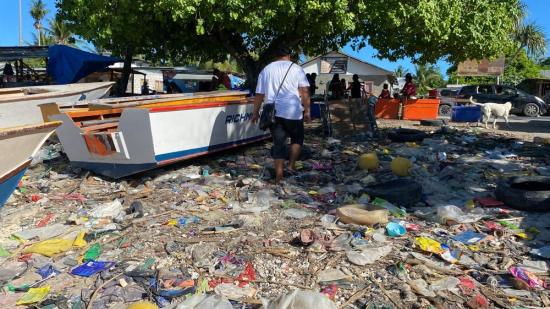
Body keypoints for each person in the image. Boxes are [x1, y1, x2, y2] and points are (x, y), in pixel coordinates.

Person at [251, 46, 311, 184]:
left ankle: (279, 175)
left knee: (279, 144)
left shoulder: (266, 70)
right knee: (297, 139)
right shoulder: (296, 69)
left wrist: (255, 113)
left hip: (274, 113)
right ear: (289, 55)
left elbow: (259, 94)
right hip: (293, 112)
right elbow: (304, 91)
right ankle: (291, 165)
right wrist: (307, 110)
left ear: (275, 55)